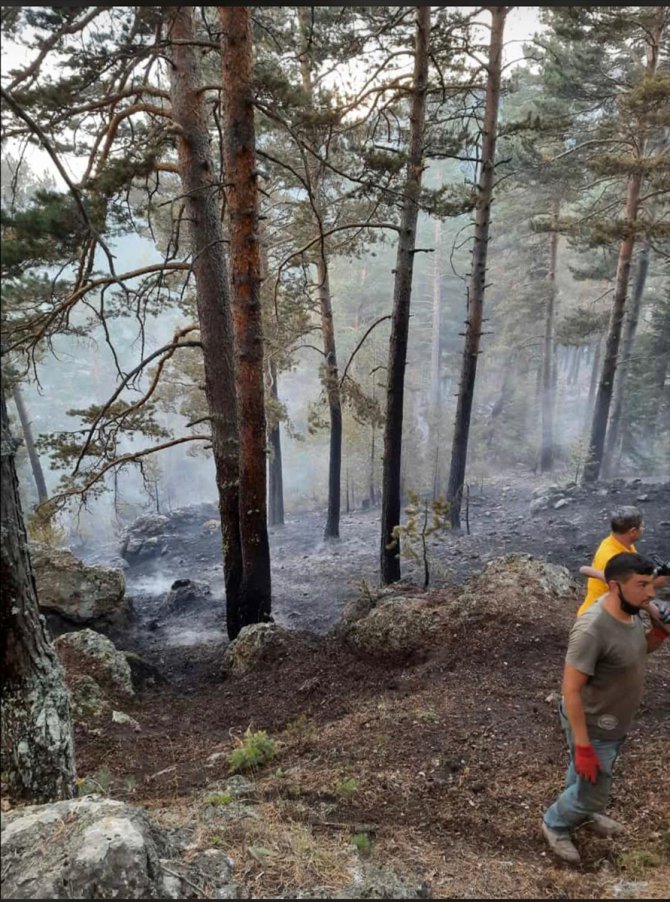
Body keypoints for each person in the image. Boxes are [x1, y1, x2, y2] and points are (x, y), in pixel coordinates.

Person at [542, 552, 670, 865]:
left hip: (613, 723)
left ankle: (583, 812)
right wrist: (584, 746)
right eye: (642, 585)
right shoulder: (591, 630)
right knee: (595, 790)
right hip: (593, 723)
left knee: (584, 778)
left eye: (651, 585)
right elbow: (570, 691)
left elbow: (634, 651)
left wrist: (658, 634)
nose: (651, 593)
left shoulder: (632, 610)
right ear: (615, 587)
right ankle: (555, 823)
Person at [577, 506, 644, 617]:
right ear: (633, 531)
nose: (643, 529)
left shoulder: (617, 543)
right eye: (641, 526)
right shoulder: (613, 558)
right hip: (598, 618)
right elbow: (632, 591)